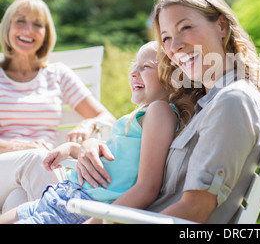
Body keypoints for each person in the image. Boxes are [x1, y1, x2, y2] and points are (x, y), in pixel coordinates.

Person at [76, 0, 260, 224]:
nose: (174, 46)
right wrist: (93, 144)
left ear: (221, 26)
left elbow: (194, 210)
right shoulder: (202, 104)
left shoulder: (232, 101)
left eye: (185, 27)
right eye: (166, 37)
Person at [0, 41, 199, 224]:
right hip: (61, 197)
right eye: (133, 66)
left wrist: (98, 221)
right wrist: (71, 149)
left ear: (175, 77)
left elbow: (147, 188)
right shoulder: (146, 113)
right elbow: (115, 158)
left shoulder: (160, 111)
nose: (133, 73)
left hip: (78, 207)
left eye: (145, 66)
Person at [0, 0, 115, 212]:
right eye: (20, 21)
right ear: (8, 26)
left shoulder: (57, 74)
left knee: (18, 203)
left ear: (46, 34)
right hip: (6, 166)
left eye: (37, 24)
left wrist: (86, 124)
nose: (28, 30)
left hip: (40, 173)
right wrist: (19, 146)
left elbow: (106, 117)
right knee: (36, 158)